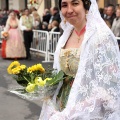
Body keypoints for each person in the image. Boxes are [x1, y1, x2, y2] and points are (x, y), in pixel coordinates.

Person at [39, 0, 120, 119]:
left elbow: (109, 86)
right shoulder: (65, 36)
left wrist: (72, 112)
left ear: (86, 6)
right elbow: (59, 75)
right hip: (61, 106)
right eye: (64, 5)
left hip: (87, 109)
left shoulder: (101, 37)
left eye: (75, 3)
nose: (69, 10)